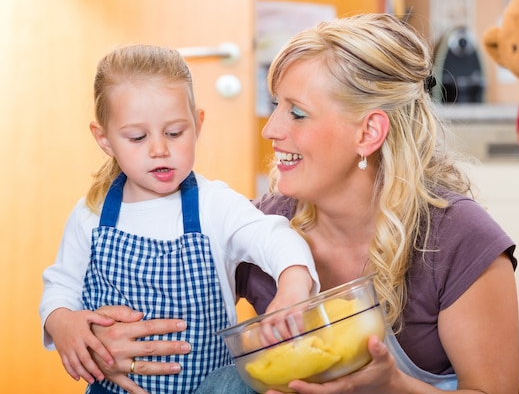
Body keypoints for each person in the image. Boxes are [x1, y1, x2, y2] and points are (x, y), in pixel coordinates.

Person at [79, 13, 519, 394]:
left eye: (297, 112)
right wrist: (109, 346)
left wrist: (394, 386)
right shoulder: (259, 226)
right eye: (276, 106)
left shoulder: (459, 238)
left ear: (368, 133)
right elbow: (171, 323)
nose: (271, 129)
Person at [39, 44, 319, 394]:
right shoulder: (90, 215)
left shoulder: (214, 205)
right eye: (137, 137)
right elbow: (60, 287)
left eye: (174, 132)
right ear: (104, 139)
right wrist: (62, 322)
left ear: (197, 124)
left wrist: (293, 284)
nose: (159, 149)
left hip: (210, 387)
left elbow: (275, 236)